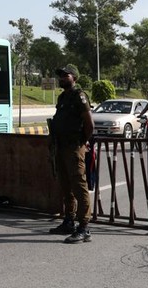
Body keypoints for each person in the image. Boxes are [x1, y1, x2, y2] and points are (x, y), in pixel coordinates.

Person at [49, 64, 94, 244]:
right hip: (61, 147)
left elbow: (89, 123)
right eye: (60, 76)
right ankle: (69, 221)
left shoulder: (79, 96)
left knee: (79, 185)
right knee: (66, 185)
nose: (61, 78)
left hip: (74, 147)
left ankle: (84, 227)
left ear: (74, 77)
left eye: (65, 75)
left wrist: (82, 142)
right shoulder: (62, 97)